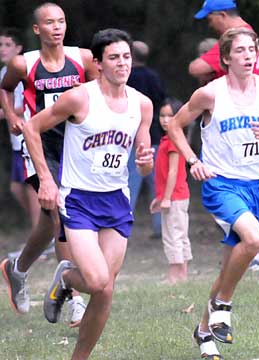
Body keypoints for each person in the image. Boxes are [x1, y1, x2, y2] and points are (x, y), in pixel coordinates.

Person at [23, 28, 154, 360]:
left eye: (126, 57)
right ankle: (67, 276)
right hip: (79, 199)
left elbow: (142, 164)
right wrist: (46, 180)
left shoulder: (142, 104)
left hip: (116, 199)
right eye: (113, 57)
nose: (122, 63)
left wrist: (145, 162)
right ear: (97, 63)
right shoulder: (80, 97)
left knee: (106, 290)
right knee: (96, 281)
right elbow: (31, 127)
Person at [168, 27, 259, 360]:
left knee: (228, 270)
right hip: (221, 184)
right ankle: (223, 305)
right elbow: (175, 125)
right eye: (240, 51)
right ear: (225, 58)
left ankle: (204, 331)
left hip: (256, 186)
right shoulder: (210, 94)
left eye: (252, 49)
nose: (249, 56)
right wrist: (193, 161)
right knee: (255, 239)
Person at [0, 2, 98, 327]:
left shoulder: (82, 59)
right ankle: (76, 300)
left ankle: (17, 269)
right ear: (37, 29)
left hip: (75, 146)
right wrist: (13, 115)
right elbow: (5, 88)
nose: (56, 27)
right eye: (49, 23)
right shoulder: (22, 63)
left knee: (48, 223)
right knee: (60, 215)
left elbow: (98, 94)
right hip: (40, 146)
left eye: (61, 21)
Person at [0, 27, 40, 232]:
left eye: (8, 45)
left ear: (19, 48)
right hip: (16, 140)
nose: (2, 49)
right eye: (1, 45)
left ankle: (42, 235)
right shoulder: (3, 73)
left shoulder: (22, 70)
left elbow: (25, 103)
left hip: (27, 137)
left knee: (31, 187)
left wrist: (4, 112)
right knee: (16, 188)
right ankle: (44, 229)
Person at [150, 97, 192, 284]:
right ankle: (182, 275)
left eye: (170, 116)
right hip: (175, 196)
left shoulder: (174, 140)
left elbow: (173, 171)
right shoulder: (169, 139)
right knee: (180, 233)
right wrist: (160, 197)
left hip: (175, 197)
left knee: (172, 235)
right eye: (162, 115)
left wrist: (166, 198)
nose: (166, 120)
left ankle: (175, 276)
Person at [127, 40, 166, 239]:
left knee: (129, 183)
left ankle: (123, 225)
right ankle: (159, 227)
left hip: (129, 139)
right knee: (156, 183)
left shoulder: (126, 78)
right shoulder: (153, 77)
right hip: (154, 136)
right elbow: (162, 100)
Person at [189, 0, 259, 85]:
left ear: (222, 15)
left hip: (235, 96)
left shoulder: (235, 38)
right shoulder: (247, 32)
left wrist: (209, 73)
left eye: (210, 20)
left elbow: (196, 69)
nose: (210, 25)